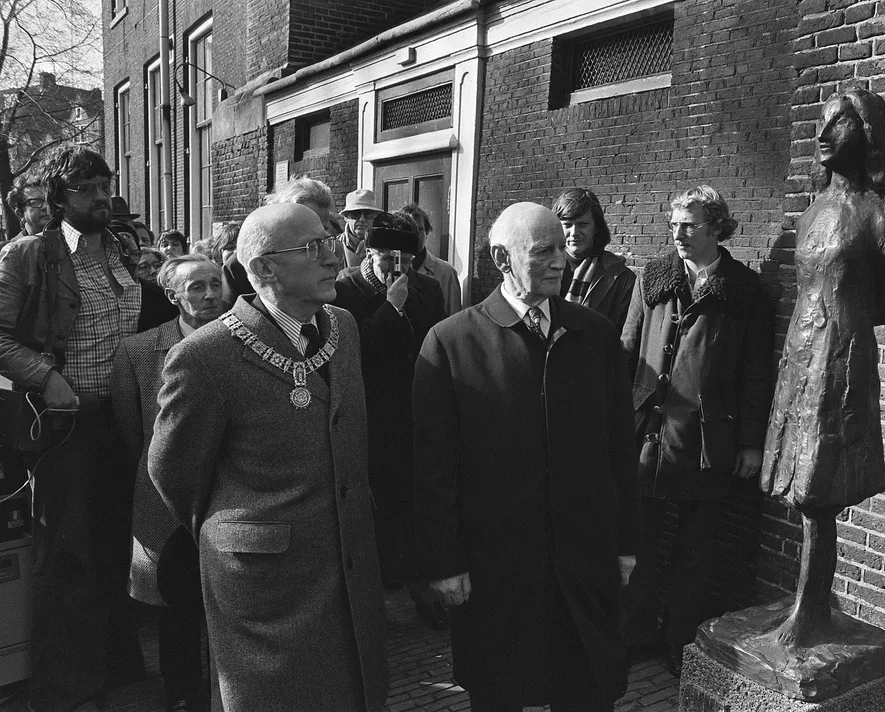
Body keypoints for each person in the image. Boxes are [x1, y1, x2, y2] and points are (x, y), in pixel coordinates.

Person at [148, 202, 388, 712]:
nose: (334, 257)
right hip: (263, 592)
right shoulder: (203, 357)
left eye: (332, 239)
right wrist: (238, 534)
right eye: (313, 247)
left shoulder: (342, 328)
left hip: (348, 567)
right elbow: (173, 471)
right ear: (262, 269)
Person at [413, 202, 640, 712]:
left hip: (582, 560)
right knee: (499, 691)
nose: (562, 259)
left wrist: (625, 542)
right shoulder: (450, 343)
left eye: (563, 246)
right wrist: (444, 561)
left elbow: (620, 449)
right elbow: (434, 470)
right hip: (497, 568)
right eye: (543, 251)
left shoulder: (595, 335)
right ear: (502, 258)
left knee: (586, 687)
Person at [0, 146, 144, 712]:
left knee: (114, 543)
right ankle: (65, 690)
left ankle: (117, 668)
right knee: (67, 552)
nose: (101, 197)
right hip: (65, 424)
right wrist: (47, 377)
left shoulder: (124, 248)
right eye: (87, 189)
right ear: (61, 197)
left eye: (105, 185)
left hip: (123, 417)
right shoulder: (31, 255)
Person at [759, 88, 885, 647]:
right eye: (821, 126)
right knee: (802, 491)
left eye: (837, 125)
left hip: (840, 360)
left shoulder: (876, 213)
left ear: (865, 135)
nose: (822, 137)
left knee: (820, 492)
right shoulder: (814, 211)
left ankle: (812, 610)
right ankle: (807, 604)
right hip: (802, 354)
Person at [619, 185, 774, 675]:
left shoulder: (744, 291)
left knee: (694, 551)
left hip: (707, 443)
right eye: (674, 223)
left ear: (716, 228)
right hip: (647, 432)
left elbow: (755, 374)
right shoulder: (653, 278)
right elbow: (626, 352)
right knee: (638, 543)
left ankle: (679, 641)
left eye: (690, 224)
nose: (679, 234)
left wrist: (750, 442)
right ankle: (634, 632)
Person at [111, 254, 224, 712]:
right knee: (173, 606)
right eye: (197, 286)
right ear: (173, 295)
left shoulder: (243, 342)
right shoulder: (139, 352)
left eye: (217, 283)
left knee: (228, 603)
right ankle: (180, 692)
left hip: (227, 497)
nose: (212, 294)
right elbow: (132, 428)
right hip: (164, 500)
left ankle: (227, 692)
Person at [333, 211, 446, 628]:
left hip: (413, 412)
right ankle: (375, 595)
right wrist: (390, 307)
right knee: (374, 505)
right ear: (370, 250)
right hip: (368, 412)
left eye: (405, 258)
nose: (396, 267)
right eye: (387, 257)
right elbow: (350, 351)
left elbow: (437, 345)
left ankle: (424, 592)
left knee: (415, 503)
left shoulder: (428, 288)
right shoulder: (345, 289)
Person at [222, 176, 335, 307]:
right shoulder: (238, 265)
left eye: (324, 228)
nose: (332, 260)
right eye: (305, 221)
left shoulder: (339, 320)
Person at [552, 188, 636, 335]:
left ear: (596, 227)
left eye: (583, 224)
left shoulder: (620, 278)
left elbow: (625, 339)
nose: (574, 233)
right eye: (567, 224)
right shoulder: (544, 268)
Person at [399, 203, 463, 315]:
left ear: (427, 232)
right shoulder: (387, 268)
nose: (415, 235)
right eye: (408, 229)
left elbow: (454, 318)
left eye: (420, 229)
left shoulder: (446, 273)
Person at [339, 189, 383, 267]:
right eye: (356, 214)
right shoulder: (333, 247)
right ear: (346, 217)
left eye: (368, 214)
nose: (362, 219)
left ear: (374, 217)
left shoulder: (383, 246)